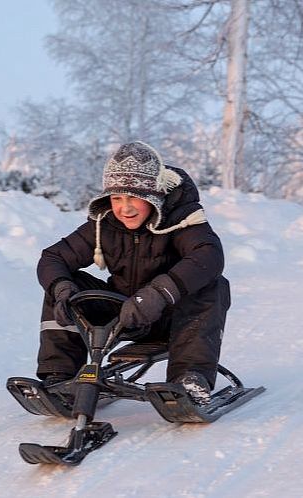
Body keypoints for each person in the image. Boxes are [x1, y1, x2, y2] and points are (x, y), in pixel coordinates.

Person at [35, 141, 230, 405]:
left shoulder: (182, 219)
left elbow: (208, 254)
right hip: (123, 314)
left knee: (212, 285)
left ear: (153, 196)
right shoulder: (106, 223)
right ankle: (59, 377)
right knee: (65, 286)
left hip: (171, 318)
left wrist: (160, 293)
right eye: (117, 198)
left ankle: (189, 378)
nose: (125, 208)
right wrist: (61, 289)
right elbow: (53, 257)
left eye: (134, 198)